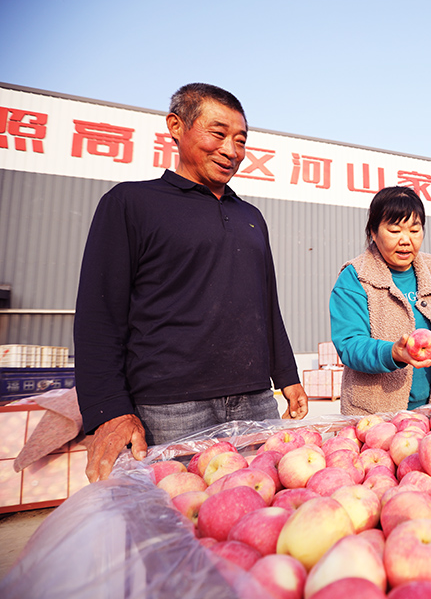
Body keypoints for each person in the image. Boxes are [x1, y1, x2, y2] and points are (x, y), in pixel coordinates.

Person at [74, 83, 308, 482]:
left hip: (255, 402)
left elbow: (266, 304)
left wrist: (286, 376)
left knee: (256, 514)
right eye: (217, 134)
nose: (231, 150)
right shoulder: (131, 204)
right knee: (177, 522)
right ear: (176, 126)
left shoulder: (251, 217)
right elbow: (100, 315)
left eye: (240, 140)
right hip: (170, 409)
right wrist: (109, 408)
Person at [330, 186, 431, 415]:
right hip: (373, 415)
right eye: (395, 230)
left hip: (430, 407)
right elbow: (349, 343)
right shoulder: (355, 277)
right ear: (373, 232)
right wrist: (393, 353)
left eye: (415, 230)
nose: (406, 240)